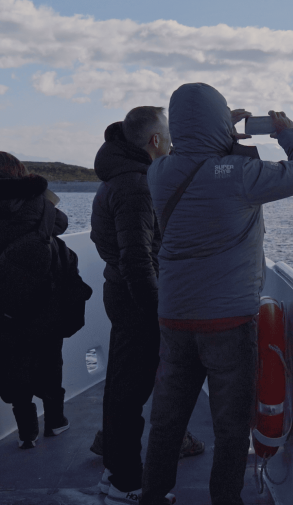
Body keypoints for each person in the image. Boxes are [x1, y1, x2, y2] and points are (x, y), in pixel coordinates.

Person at [140, 83, 293, 505]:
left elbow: (193, 160)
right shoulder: (240, 176)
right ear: (220, 123)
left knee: (167, 422)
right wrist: (287, 133)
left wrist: (219, 133)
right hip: (228, 322)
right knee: (231, 426)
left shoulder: (158, 173)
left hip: (174, 318)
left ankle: (153, 496)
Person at [90, 110, 202, 505]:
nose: (172, 142)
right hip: (137, 299)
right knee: (131, 391)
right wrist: (159, 313)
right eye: (168, 135)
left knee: (121, 386)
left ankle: (114, 472)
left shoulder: (121, 177)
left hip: (122, 294)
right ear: (155, 141)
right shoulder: (136, 186)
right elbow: (138, 260)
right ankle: (125, 482)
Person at [0, 152, 73, 449]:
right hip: (44, 297)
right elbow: (62, 223)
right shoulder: (39, 203)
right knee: (50, 359)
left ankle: (26, 432)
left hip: (6, 304)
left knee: (12, 364)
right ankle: (55, 420)